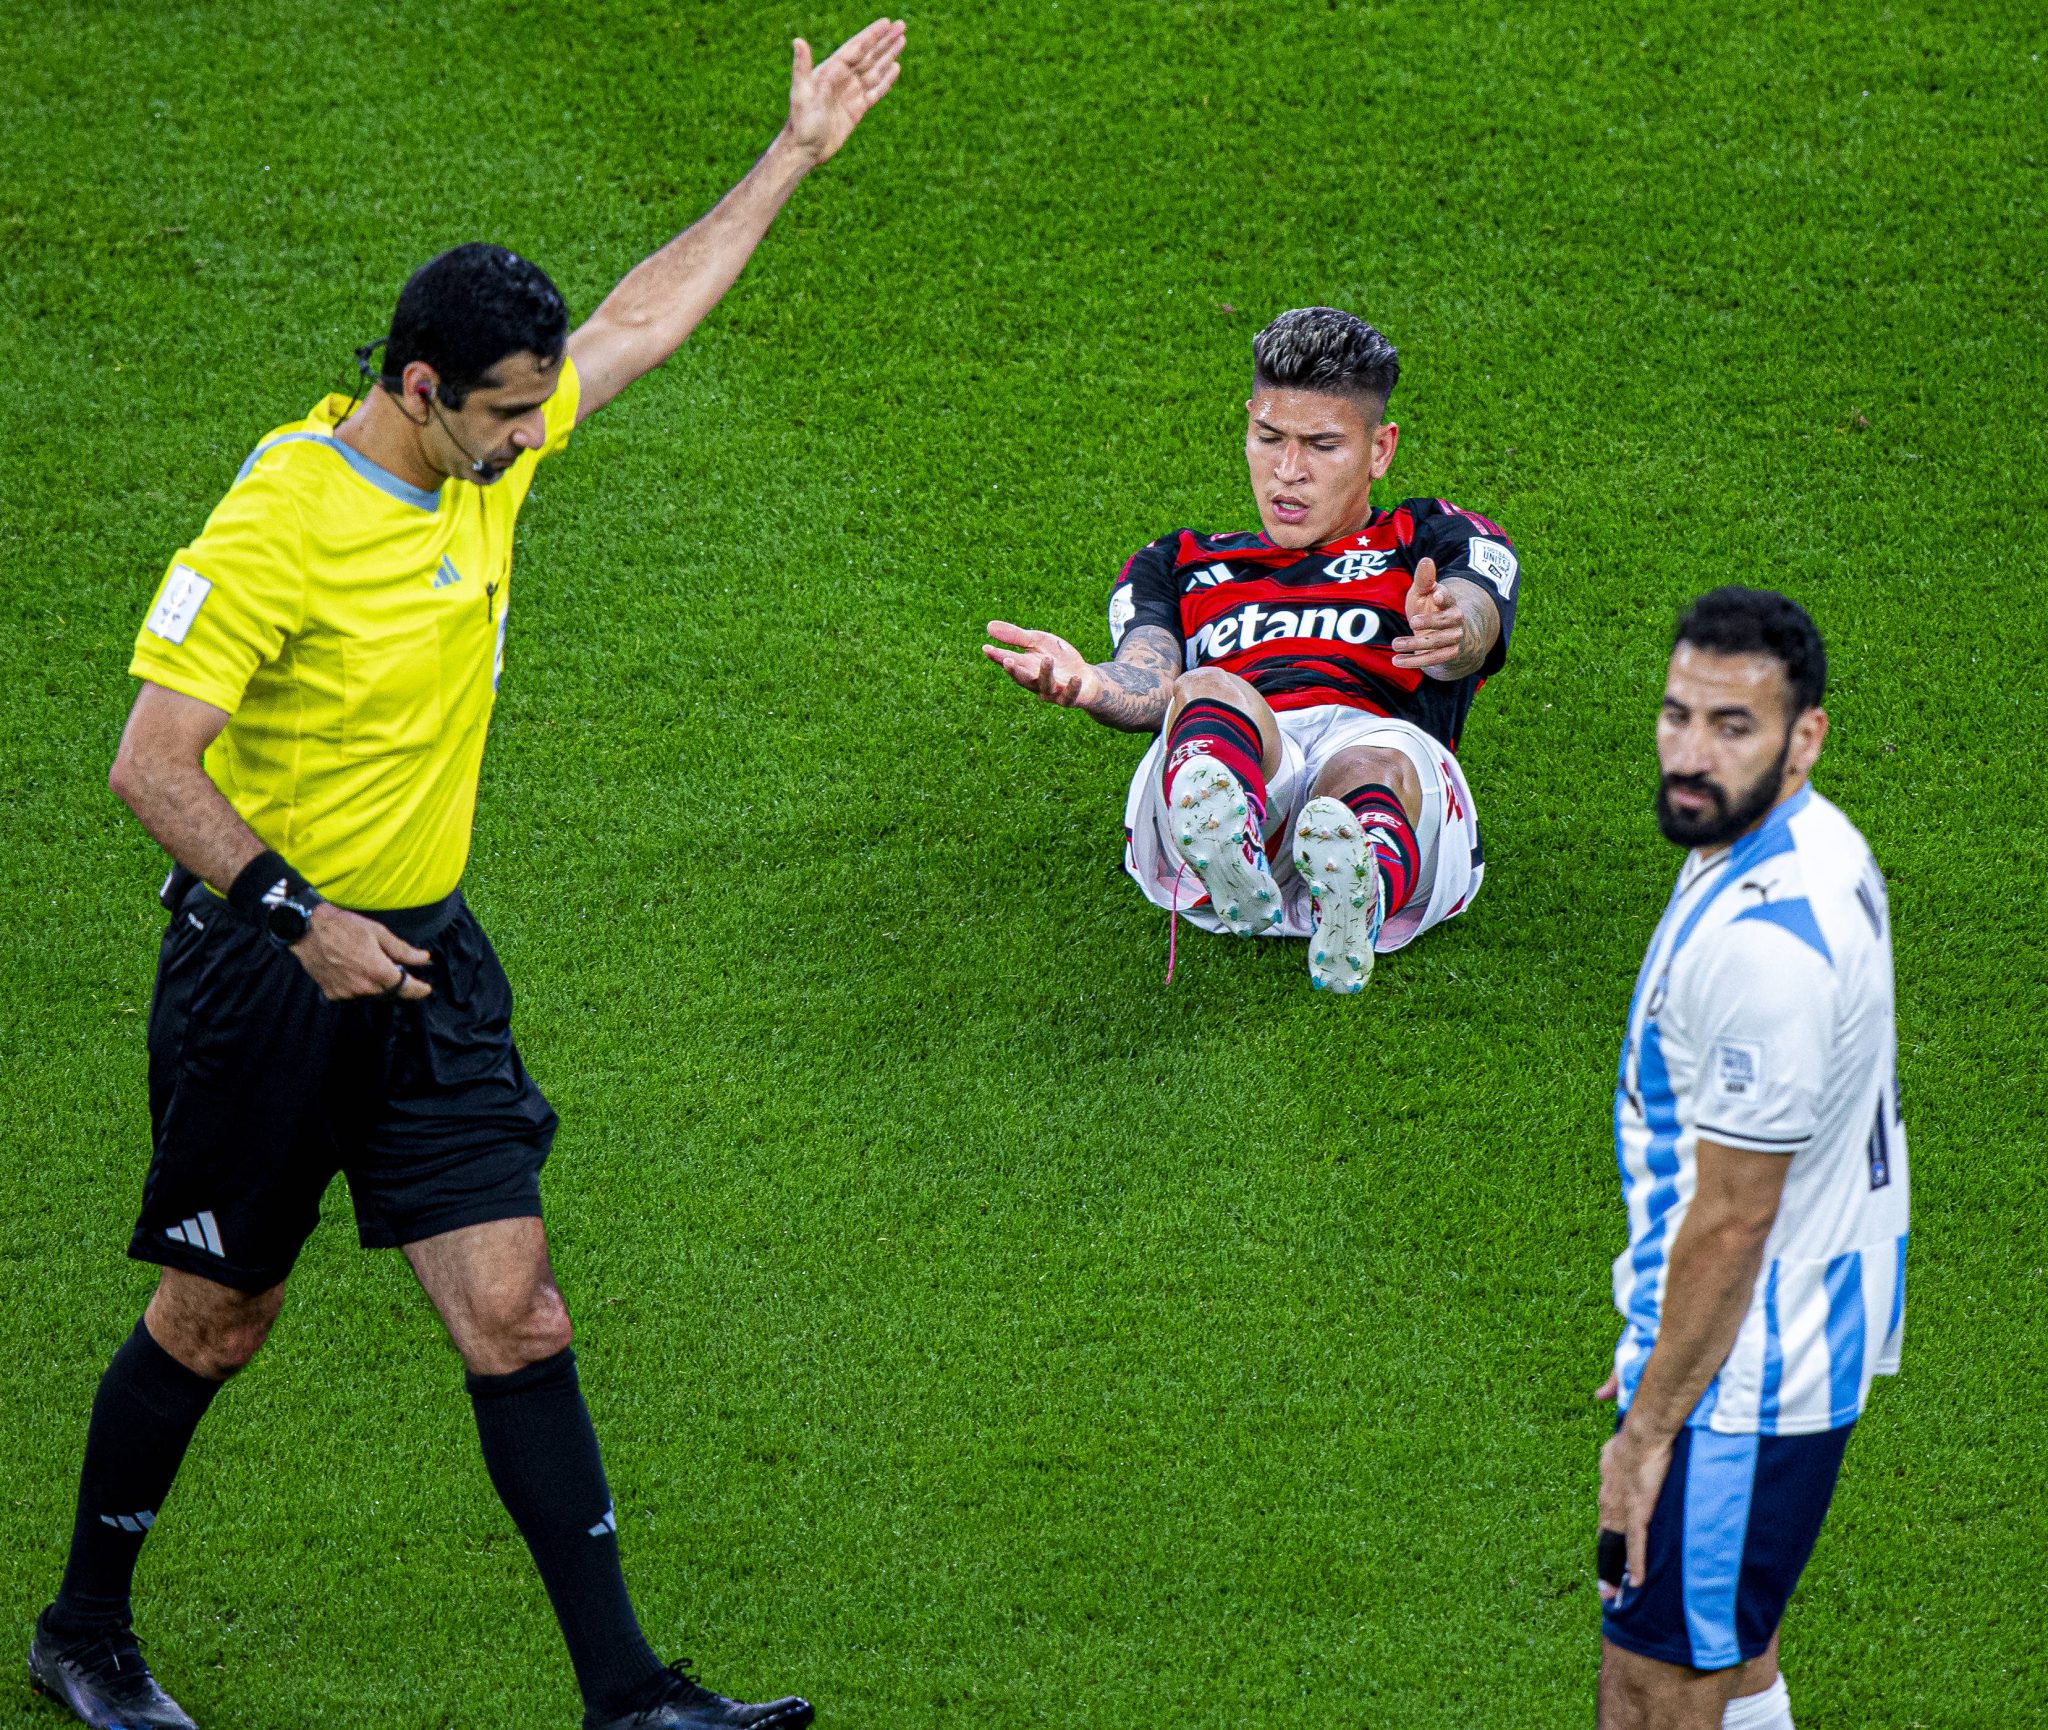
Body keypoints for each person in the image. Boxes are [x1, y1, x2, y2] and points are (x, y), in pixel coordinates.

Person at [29, 22, 905, 1730]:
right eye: (508, 414)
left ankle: (629, 1699)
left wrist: (793, 152)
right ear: (421, 389)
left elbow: (644, 315)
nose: (532, 438)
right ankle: (85, 1630)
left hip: (423, 961)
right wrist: (302, 918)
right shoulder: (280, 523)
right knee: (218, 1318)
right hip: (267, 977)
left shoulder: (477, 459)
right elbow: (150, 761)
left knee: (516, 1313)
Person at [981, 305, 1518, 993]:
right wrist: (1089, 684)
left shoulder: (1431, 536)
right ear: (1247, 426)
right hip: (1239, 754)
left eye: (1322, 446)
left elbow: (1475, 611)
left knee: (1373, 761)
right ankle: (1229, 844)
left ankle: (1359, 892)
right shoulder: (1178, 561)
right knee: (1207, 691)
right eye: (1269, 437)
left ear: (1379, 449)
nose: (1287, 471)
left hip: (1383, 761)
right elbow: (1150, 675)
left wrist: (1455, 626)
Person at [1595, 588, 1910, 1730]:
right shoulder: (1808, 841)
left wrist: (1649, 1425)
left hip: (1745, 1376)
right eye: (1677, 714)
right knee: (1733, 1649)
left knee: (1653, 1684)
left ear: (1802, 735)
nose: (1689, 753)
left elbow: (1733, 1217)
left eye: (1730, 726)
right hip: (1782, 1330)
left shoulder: (1762, 953)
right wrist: (1652, 1333)